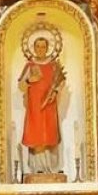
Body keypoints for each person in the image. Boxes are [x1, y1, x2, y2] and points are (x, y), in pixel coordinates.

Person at [18, 36, 66, 173]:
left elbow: (60, 81)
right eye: (37, 47)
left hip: (49, 105)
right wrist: (29, 80)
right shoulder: (30, 65)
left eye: (43, 47)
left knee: (49, 133)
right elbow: (21, 84)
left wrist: (55, 92)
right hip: (35, 106)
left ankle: (51, 167)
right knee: (36, 134)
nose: (40, 50)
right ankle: (37, 168)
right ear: (34, 48)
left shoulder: (54, 65)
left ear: (47, 48)